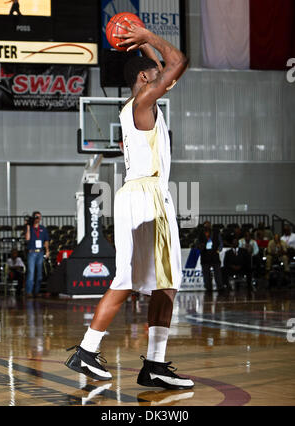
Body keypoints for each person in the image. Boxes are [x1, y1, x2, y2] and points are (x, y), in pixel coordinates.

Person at [65, 20, 194, 390]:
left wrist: (139, 46)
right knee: (144, 281)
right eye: (156, 75)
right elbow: (178, 61)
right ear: (144, 79)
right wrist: (148, 37)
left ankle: (151, 365)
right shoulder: (143, 100)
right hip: (148, 197)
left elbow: (164, 65)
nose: (164, 78)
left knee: (162, 285)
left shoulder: (135, 101)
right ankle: (89, 351)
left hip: (136, 196)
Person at [25, 212, 49, 297]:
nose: (38, 218)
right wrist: (28, 226)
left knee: (39, 274)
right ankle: (29, 292)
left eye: (39, 217)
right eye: (36, 217)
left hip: (40, 252)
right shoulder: (30, 228)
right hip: (32, 252)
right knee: (31, 273)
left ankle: (37, 291)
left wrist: (47, 250)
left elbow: (46, 240)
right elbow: (27, 239)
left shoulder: (42, 228)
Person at [197, 221, 224, 292]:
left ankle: (220, 287)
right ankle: (208, 288)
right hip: (205, 255)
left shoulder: (216, 232)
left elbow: (220, 242)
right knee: (206, 274)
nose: (207, 227)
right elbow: (198, 244)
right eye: (206, 226)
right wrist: (200, 246)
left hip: (214, 255)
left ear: (210, 226)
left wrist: (218, 250)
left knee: (217, 273)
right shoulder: (200, 234)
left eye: (208, 225)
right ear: (204, 227)